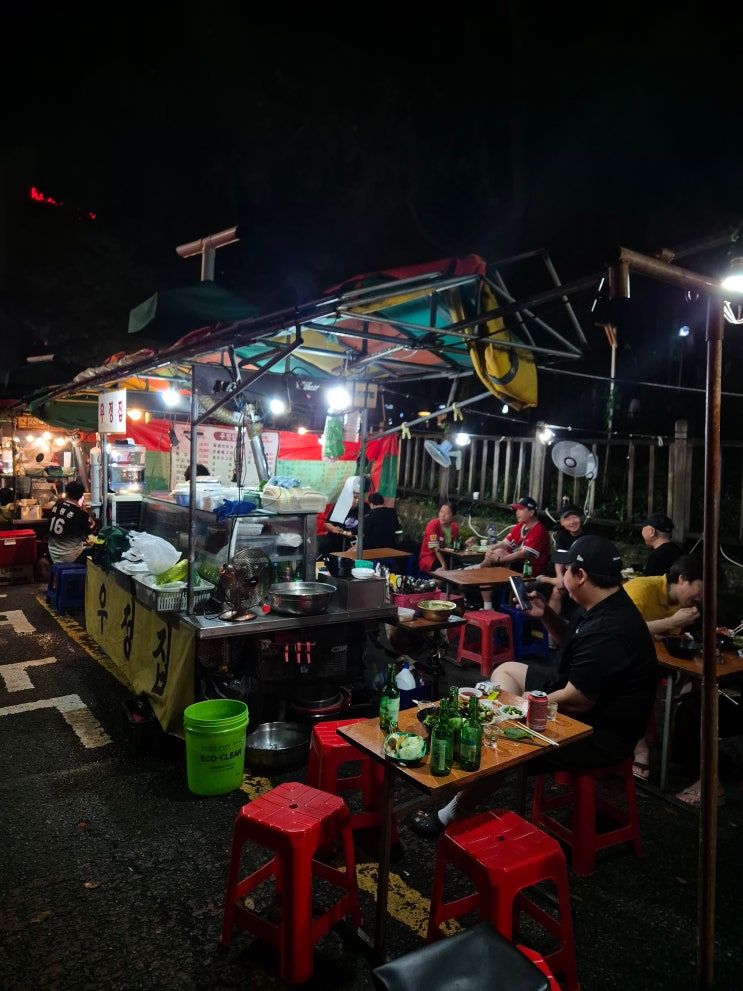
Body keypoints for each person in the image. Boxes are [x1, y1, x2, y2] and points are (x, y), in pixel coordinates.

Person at [411, 535, 658, 838]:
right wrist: (546, 615)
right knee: (506, 672)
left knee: (500, 735)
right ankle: (482, 758)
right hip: (576, 694)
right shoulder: (600, 602)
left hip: (598, 732)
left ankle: (451, 813)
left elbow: (578, 700)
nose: (561, 575)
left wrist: (524, 706)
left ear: (580, 575)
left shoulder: (610, 629)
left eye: (565, 569)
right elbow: (574, 643)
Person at [623, 554, 704, 784]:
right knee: (636, 681)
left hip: (653, 660)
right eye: (700, 590)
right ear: (682, 579)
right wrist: (672, 622)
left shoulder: (684, 604)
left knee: (692, 687)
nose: (701, 597)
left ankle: (677, 750)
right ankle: (641, 749)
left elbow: (666, 638)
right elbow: (625, 629)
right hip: (620, 660)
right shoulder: (641, 588)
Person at [476, 496, 550, 610]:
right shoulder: (520, 526)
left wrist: (499, 559)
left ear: (531, 512)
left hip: (529, 570)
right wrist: (490, 550)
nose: (517, 512)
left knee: (496, 557)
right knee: (493, 559)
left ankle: (478, 570)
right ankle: (488, 606)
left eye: (520, 509)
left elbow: (522, 554)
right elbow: (504, 544)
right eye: (517, 509)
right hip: (514, 564)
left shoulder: (539, 531)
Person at [537, 503, 592, 618]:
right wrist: (559, 577)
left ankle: (545, 579)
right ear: (561, 523)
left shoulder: (590, 535)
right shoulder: (562, 535)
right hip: (570, 576)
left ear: (580, 518)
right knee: (557, 590)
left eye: (574, 517)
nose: (572, 521)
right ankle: (550, 625)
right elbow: (560, 559)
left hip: (587, 576)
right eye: (567, 519)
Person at [48, 480, 98, 564]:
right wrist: (85, 512)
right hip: (71, 557)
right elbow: (93, 530)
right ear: (81, 497)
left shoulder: (56, 507)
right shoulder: (80, 513)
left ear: (67, 494)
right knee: (93, 552)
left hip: (52, 554)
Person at [418, 500, 462, 575]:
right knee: (443, 574)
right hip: (430, 557)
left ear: (453, 516)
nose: (442, 515)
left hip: (447, 556)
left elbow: (456, 546)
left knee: (460, 571)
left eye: (447, 513)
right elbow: (435, 547)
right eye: (441, 512)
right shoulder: (432, 525)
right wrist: (443, 565)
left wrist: (466, 544)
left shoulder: (455, 527)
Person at [317, 490, 360, 558]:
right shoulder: (340, 507)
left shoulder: (365, 508)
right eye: (355, 497)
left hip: (355, 538)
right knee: (325, 544)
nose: (357, 500)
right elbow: (327, 524)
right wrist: (334, 529)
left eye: (360, 498)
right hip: (337, 536)